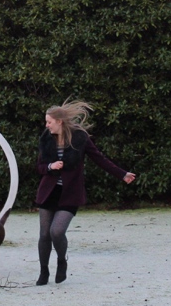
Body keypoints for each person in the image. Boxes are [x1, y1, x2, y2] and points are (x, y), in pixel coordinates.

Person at [34, 100, 136, 286]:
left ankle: (61, 262)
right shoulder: (46, 138)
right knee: (44, 235)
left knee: (57, 232)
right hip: (48, 192)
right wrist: (51, 166)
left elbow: (99, 158)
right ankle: (43, 272)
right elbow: (40, 167)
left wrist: (122, 174)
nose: (46, 125)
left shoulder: (80, 138)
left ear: (59, 121)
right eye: (46, 122)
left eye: (49, 122)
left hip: (70, 193)